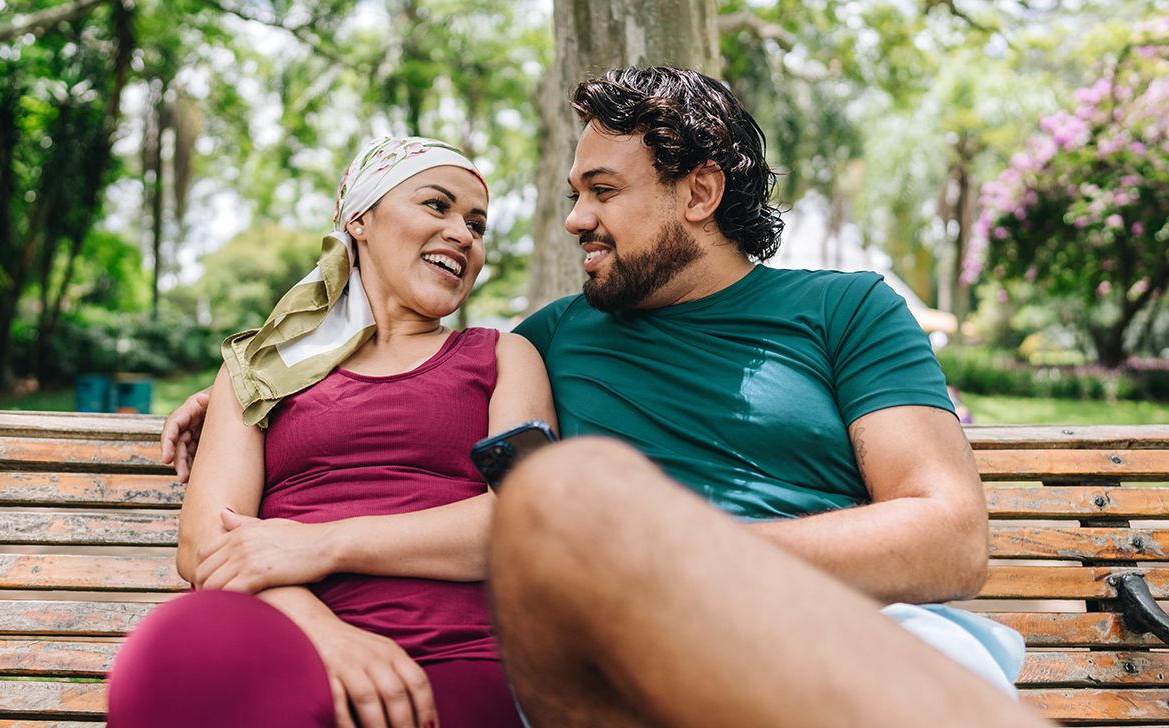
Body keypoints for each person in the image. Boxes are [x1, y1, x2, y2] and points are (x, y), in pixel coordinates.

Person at [160, 69, 1049, 727]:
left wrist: (680, 559)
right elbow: (396, 365)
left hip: (840, 632)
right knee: (561, 492)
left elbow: (947, 535)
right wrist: (241, 392)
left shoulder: (842, 309)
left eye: (604, 192)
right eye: (573, 194)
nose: (576, 219)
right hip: (623, 668)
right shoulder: (544, 340)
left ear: (699, 192)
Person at [110, 136, 554, 728]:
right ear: (360, 220)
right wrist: (326, 636)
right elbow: (203, 547)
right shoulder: (262, 367)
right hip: (281, 634)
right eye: (436, 205)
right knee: (174, 651)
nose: (463, 234)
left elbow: (523, 521)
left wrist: (321, 543)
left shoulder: (503, 356)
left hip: (448, 649)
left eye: (477, 224)